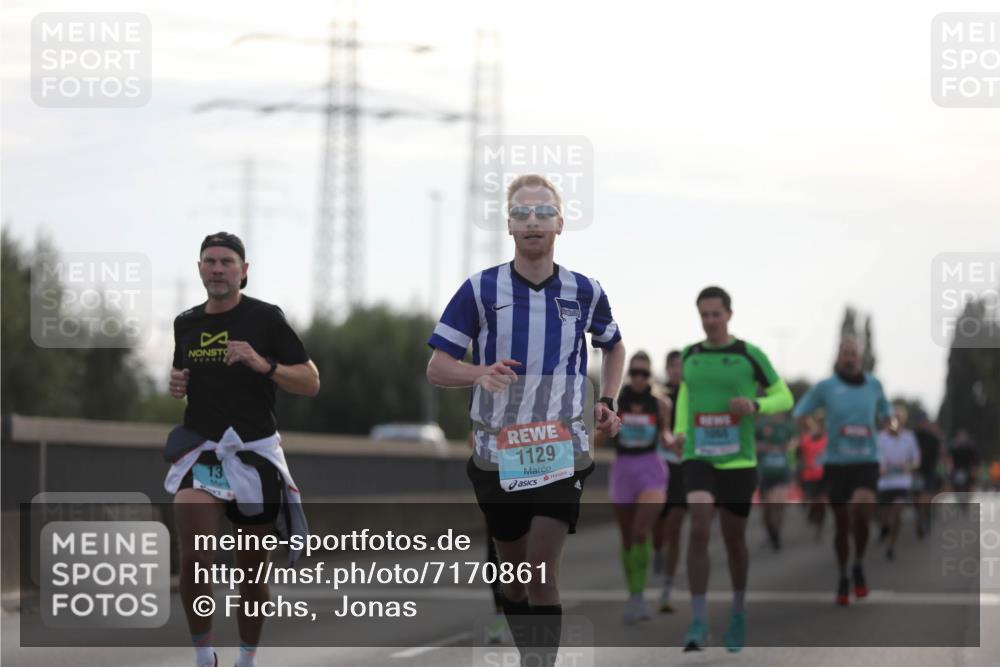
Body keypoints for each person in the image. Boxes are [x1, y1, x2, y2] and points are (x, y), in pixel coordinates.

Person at [426, 174, 625, 667]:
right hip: (499, 452)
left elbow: (614, 345)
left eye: (542, 213)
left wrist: (611, 400)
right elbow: (437, 367)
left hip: (563, 445)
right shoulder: (480, 289)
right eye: (521, 213)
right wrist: (479, 371)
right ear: (509, 226)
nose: (532, 221)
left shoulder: (585, 291)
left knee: (541, 571)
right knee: (514, 581)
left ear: (560, 223)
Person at [167, 232, 320, 667]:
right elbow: (184, 377)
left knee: (252, 574)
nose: (218, 269)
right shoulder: (186, 323)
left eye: (227, 262)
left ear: (244, 271)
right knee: (194, 557)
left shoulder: (266, 319)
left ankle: (246, 659)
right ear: (200, 270)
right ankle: (203, 657)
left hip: (254, 456)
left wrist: (263, 364)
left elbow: (311, 382)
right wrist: (176, 383)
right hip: (204, 452)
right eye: (210, 261)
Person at [664, 286, 794, 652]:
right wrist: (678, 433)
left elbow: (784, 395)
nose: (709, 321)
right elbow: (686, 397)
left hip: (739, 459)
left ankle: (738, 610)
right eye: (704, 315)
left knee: (734, 538)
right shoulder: (690, 355)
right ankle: (699, 620)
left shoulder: (749, 354)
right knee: (701, 525)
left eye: (715, 314)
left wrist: (755, 405)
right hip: (698, 455)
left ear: (729, 315)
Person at [792, 337, 894, 606]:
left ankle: (858, 563)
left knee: (861, 510)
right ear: (838, 357)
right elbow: (801, 412)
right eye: (845, 353)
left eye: (853, 353)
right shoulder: (826, 387)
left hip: (866, 460)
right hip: (836, 463)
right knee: (841, 524)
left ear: (860, 357)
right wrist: (812, 427)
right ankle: (843, 575)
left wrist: (890, 423)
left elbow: (887, 411)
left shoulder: (874, 385)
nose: (849, 358)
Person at [597, 350, 669, 624]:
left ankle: (639, 594)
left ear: (650, 376)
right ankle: (635, 595)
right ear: (629, 374)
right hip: (623, 469)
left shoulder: (660, 404)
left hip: (651, 468)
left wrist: (674, 442)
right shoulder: (616, 402)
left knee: (641, 531)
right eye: (635, 372)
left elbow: (665, 436)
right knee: (627, 537)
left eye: (645, 374)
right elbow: (600, 440)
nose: (639, 378)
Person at [652, 349, 686, 613]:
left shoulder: (694, 396)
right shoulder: (656, 396)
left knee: (674, 528)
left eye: (681, 366)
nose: (677, 370)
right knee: (659, 526)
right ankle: (657, 550)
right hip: (657, 467)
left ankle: (667, 589)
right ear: (666, 368)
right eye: (673, 365)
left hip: (682, 470)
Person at [875, 405, 921, 561]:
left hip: (902, 482)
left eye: (898, 419)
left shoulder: (909, 437)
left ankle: (891, 546)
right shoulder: (880, 437)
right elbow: (875, 457)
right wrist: (880, 467)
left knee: (898, 511)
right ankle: (884, 527)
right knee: (884, 515)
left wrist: (908, 466)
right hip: (884, 483)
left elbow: (916, 460)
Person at [756, 416, 794, 551]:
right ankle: (771, 532)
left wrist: (787, 446)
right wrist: (765, 447)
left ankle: (777, 534)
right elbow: (750, 443)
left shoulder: (787, 427)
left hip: (782, 472)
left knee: (779, 504)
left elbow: (794, 442)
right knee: (768, 508)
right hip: (765, 474)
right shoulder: (760, 426)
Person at [796, 413, 828, 540]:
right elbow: (799, 455)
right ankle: (811, 513)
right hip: (809, 476)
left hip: (824, 476)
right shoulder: (805, 439)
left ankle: (819, 528)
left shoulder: (828, 439)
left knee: (822, 503)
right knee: (813, 502)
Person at [911, 411, 942, 539]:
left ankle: (926, 519)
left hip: (928, 472)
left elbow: (937, 457)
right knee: (916, 499)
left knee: (926, 498)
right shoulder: (912, 437)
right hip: (916, 473)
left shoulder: (934, 439)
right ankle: (920, 518)